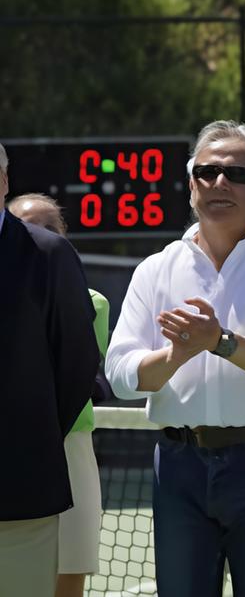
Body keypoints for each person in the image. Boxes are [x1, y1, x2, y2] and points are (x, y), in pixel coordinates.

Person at [105, 121, 245, 597]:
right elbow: (121, 374)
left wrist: (220, 341)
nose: (219, 183)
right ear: (190, 188)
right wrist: (177, 354)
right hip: (178, 465)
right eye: (206, 172)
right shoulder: (155, 268)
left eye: (238, 174)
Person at [0, 144, 100, 597]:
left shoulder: (49, 254)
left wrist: (31, 434)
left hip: (24, 494)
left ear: (3, 181)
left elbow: (77, 363)